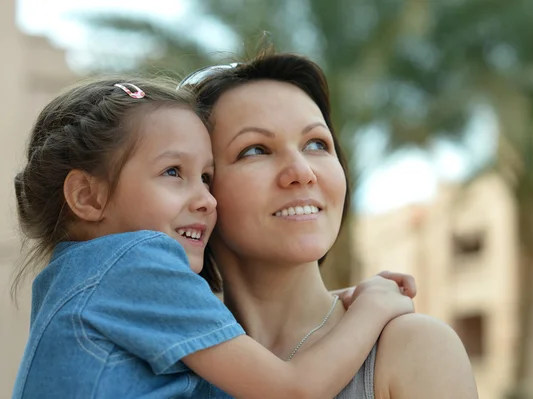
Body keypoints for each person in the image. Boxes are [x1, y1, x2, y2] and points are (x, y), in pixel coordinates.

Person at [10, 76, 417, 399]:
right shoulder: (133, 260)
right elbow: (294, 391)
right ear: (88, 196)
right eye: (173, 172)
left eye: (206, 177)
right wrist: (371, 307)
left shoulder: (78, 279)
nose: (207, 199)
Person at [181, 52, 479, 398]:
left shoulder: (413, 348)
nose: (302, 173)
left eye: (316, 144)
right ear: (201, 186)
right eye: (255, 150)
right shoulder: (167, 358)